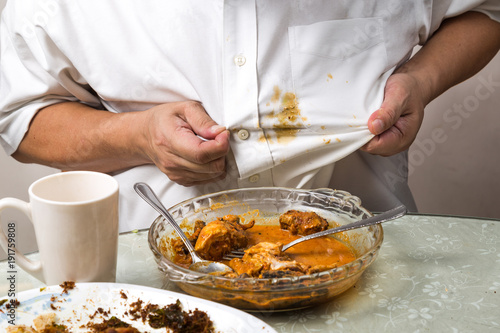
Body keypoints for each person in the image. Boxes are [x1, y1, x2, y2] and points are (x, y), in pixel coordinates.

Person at [1, 1, 499, 232]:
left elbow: (488, 10)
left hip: (368, 254)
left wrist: (422, 80)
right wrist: (135, 136)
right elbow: (20, 116)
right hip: (153, 275)